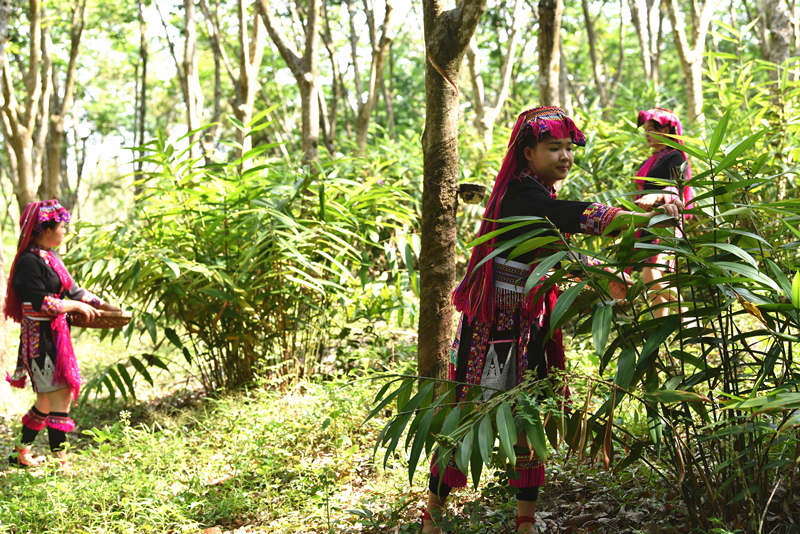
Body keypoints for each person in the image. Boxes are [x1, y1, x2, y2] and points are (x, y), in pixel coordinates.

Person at [420, 106, 682, 534]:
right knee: (470, 417)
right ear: (527, 153)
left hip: (530, 323)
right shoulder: (522, 195)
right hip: (494, 329)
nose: (565, 156)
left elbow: (546, 251)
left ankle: (524, 523)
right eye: (553, 147)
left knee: (528, 418)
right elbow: (570, 218)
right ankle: (432, 518)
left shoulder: (535, 192)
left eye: (568, 148)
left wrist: (601, 270)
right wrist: (636, 219)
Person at [4, 199, 120, 468]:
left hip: (55, 336)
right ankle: (61, 463)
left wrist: (101, 305)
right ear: (46, 230)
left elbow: (74, 291)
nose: (64, 232)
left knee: (46, 399)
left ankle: (20, 452)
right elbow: (41, 302)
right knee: (61, 395)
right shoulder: (28, 262)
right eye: (62, 227)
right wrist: (75, 305)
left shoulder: (51, 258)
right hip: (40, 340)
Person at [633, 107, 694, 319]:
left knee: (652, 273)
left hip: (667, 220)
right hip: (649, 220)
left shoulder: (676, 156)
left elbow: (677, 186)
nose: (647, 134)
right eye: (646, 130)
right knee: (658, 276)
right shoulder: (652, 160)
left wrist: (658, 197)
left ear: (668, 130)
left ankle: (683, 320)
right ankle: (669, 324)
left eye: (652, 129)